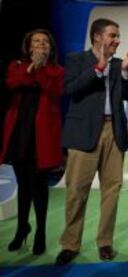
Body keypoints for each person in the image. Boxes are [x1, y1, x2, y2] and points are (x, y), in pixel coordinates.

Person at [55, 18, 128, 265]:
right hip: (83, 133)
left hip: (114, 131)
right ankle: (70, 244)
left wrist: (124, 71)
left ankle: (105, 242)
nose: (118, 40)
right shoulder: (76, 60)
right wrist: (98, 68)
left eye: (118, 36)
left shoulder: (117, 65)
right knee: (76, 192)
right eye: (113, 35)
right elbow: (69, 89)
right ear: (98, 37)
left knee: (111, 191)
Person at [0, 29, 64, 255]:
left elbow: (54, 90)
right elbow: (12, 84)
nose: (41, 44)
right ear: (28, 47)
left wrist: (40, 69)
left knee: (39, 188)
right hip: (20, 133)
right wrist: (30, 68)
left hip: (42, 136)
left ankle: (40, 232)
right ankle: (21, 228)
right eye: (36, 41)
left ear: (50, 48)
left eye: (45, 42)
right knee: (23, 185)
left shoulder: (56, 70)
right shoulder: (17, 65)